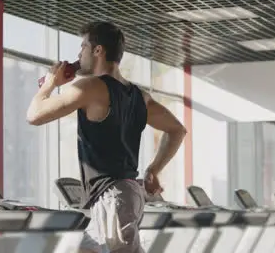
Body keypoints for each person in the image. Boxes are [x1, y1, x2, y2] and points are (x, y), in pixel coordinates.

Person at [26, 21, 187, 253]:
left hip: (112, 196)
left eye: (83, 47)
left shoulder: (90, 87)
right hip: (125, 194)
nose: (79, 54)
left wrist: (50, 83)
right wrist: (154, 169)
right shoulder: (140, 96)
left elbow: (34, 115)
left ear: (98, 50)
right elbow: (177, 130)